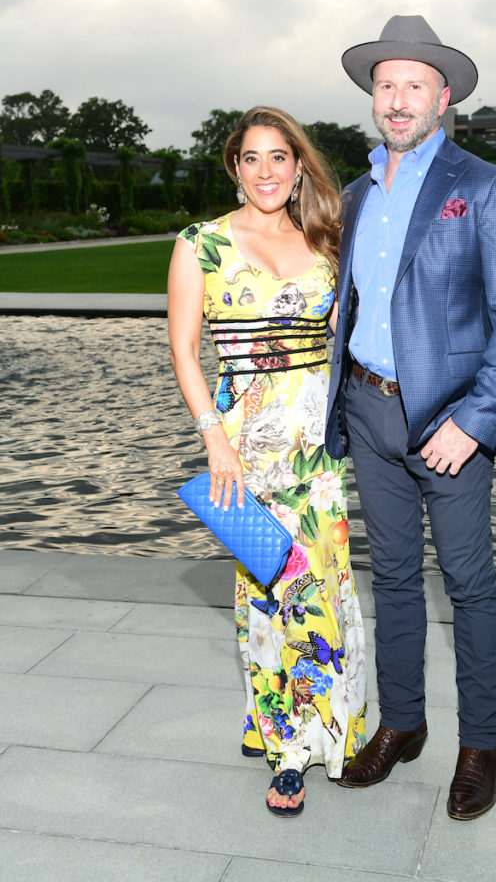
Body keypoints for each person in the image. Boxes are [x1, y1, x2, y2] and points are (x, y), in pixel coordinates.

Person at [325, 16, 496, 820]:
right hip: (366, 411)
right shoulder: (352, 197)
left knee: (469, 586)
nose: (397, 98)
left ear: (442, 98)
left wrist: (475, 420)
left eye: (413, 85)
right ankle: (402, 724)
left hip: (450, 425)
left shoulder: (486, 187)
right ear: (372, 96)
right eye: (385, 84)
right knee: (389, 579)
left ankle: (479, 745)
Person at [168, 106, 366, 818]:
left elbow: (346, 338)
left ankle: (327, 727)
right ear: (234, 167)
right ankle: (285, 746)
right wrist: (213, 440)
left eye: (278, 156)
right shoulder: (202, 244)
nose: (265, 171)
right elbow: (184, 351)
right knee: (269, 588)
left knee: (320, 585)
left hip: (315, 445)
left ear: (298, 164)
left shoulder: (325, 238)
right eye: (250, 158)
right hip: (243, 446)